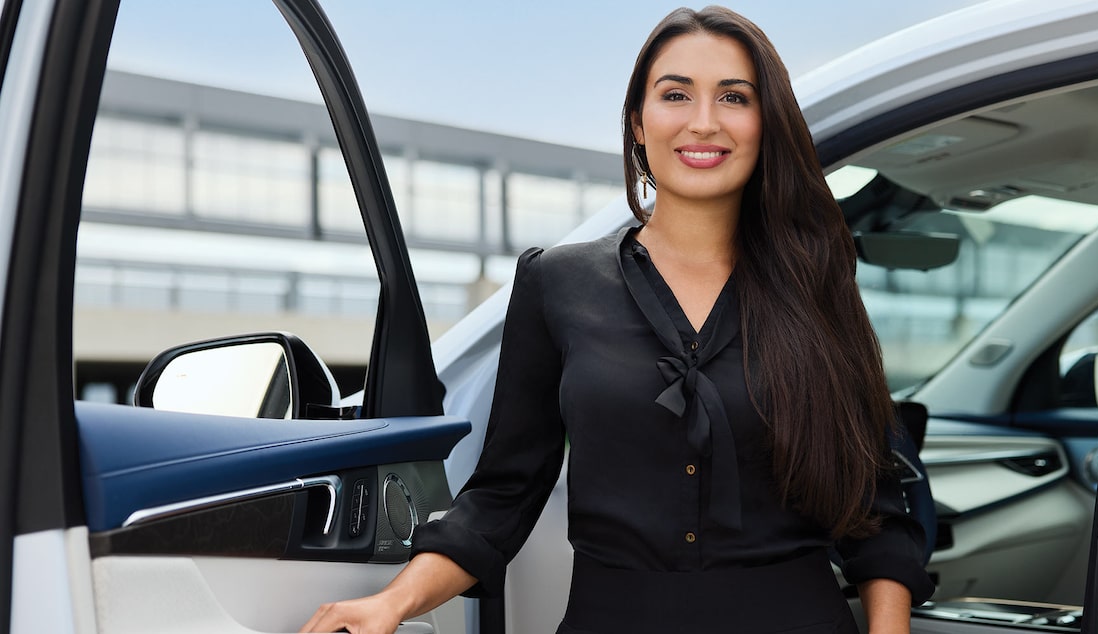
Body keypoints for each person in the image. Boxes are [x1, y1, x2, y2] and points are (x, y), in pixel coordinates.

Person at [302, 6, 933, 633]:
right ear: (637, 121)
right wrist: (392, 603)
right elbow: (503, 495)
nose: (703, 122)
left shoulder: (815, 279)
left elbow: (872, 506)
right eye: (676, 95)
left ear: (766, 122)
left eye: (734, 97)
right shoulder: (556, 282)